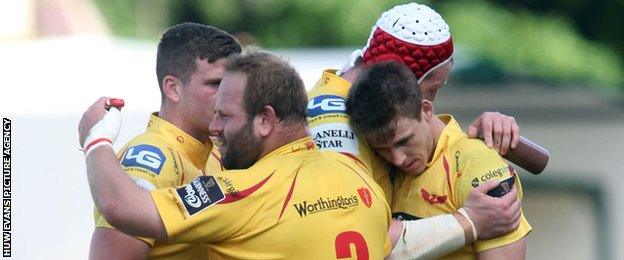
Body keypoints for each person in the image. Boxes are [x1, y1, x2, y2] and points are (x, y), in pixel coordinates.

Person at [79, 51, 521, 259]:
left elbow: (122, 207)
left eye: (226, 115)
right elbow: (390, 242)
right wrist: (468, 222)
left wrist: (96, 139)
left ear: (266, 120)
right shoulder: (358, 175)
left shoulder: (246, 191)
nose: (215, 128)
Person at [307, 2, 521, 203]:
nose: (432, 102)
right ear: (396, 81)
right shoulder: (332, 121)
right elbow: (351, 228)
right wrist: (468, 223)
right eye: (432, 89)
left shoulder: (365, 103)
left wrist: (485, 129)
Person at [86, 22, 242, 260]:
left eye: (233, 84)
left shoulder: (215, 152)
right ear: (173, 88)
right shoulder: (152, 156)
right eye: (215, 84)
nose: (229, 96)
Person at [347, 61, 532, 259]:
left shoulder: (476, 162)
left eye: (404, 141)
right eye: (382, 149)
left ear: (426, 110)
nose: (397, 159)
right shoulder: (383, 168)